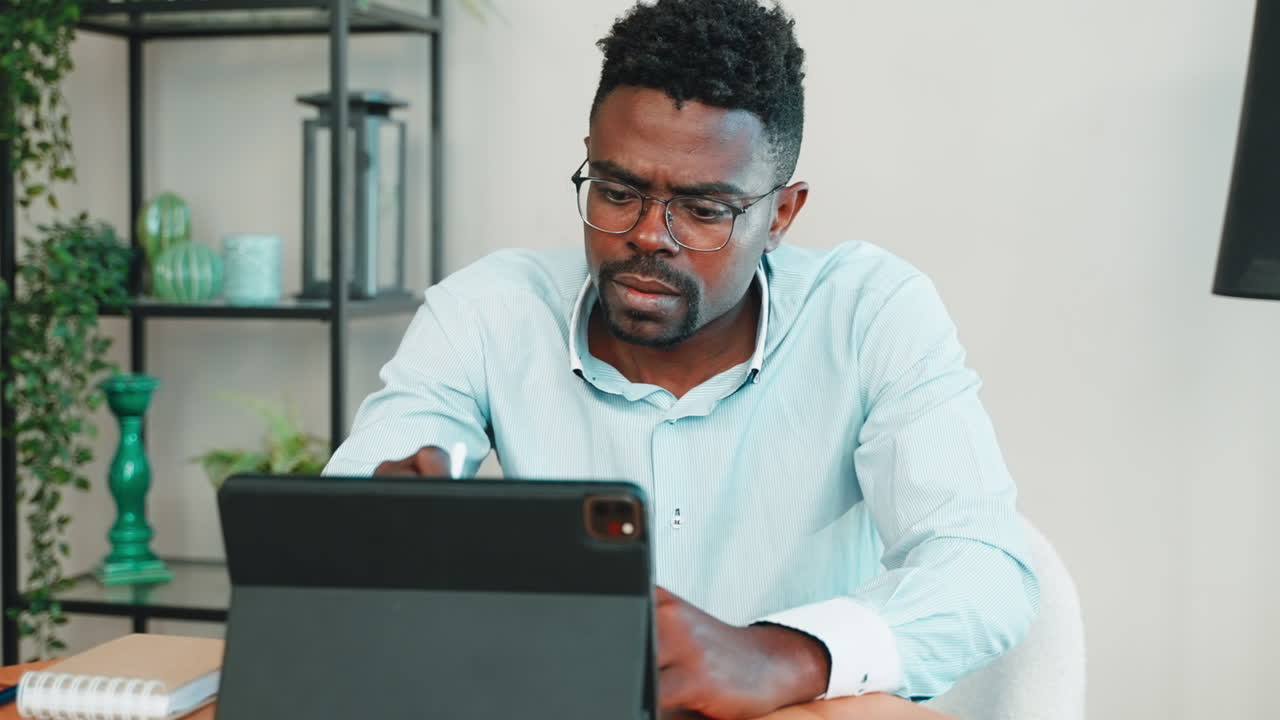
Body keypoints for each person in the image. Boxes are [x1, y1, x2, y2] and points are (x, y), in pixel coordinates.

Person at [325, 1, 1039, 718]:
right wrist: (376, 531)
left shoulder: (869, 313)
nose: (647, 236)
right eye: (617, 192)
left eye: (703, 210)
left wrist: (781, 654)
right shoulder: (486, 312)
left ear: (781, 215)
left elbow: (984, 568)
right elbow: (330, 538)